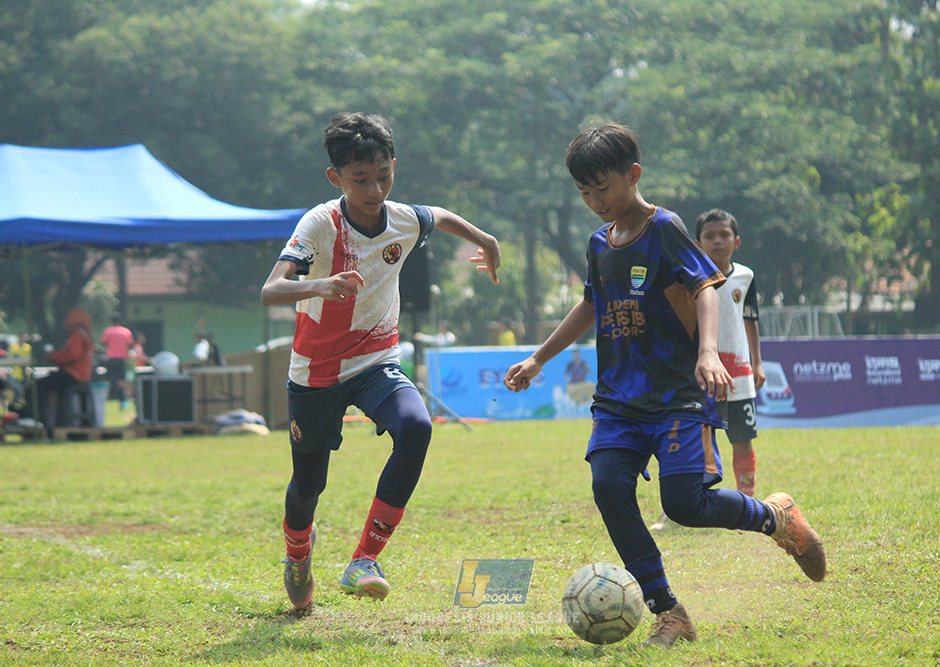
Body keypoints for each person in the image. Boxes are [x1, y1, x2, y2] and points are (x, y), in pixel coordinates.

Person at [502, 122, 825, 648]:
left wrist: (706, 354)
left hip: (677, 396)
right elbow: (590, 304)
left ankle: (776, 518)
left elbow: (704, 288)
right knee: (608, 486)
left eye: (601, 188)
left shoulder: (666, 227)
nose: (594, 201)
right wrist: (538, 358)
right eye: (584, 192)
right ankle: (668, 611)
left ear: (633, 175)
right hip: (617, 401)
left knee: (685, 505)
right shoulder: (598, 243)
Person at [260, 112, 501, 609]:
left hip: (376, 361)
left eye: (383, 177)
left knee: (416, 427)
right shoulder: (320, 224)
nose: (374, 190)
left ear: (394, 165)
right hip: (316, 373)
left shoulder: (403, 220)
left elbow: (440, 214)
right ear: (336, 179)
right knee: (309, 486)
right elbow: (272, 290)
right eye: (360, 180)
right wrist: (320, 284)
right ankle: (298, 554)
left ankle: (364, 560)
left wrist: (487, 240)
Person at [696, 209, 766, 496]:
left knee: (742, 439)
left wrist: (758, 364)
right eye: (709, 236)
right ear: (698, 243)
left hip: (739, 375)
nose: (717, 242)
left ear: (736, 242)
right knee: (698, 441)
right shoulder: (691, 277)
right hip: (703, 376)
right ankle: (689, 502)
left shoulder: (745, 277)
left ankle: (746, 499)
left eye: (724, 235)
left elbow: (750, 320)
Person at [38, 308, 95, 436]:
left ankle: (42, 420)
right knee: (59, 388)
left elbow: (72, 356)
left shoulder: (77, 334)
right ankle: (59, 421)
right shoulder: (85, 333)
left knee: (41, 384)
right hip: (82, 374)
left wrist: (53, 357)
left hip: (74, 373)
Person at [100, 314, 134, 407]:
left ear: (111, 322)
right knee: (121, 380)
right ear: (121, 321)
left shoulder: (107, 331)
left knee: (108, 378)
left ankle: (106, 397)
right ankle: (123, 399)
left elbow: (103, 343)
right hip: (122, 358)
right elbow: (130, 345)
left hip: (110, 358)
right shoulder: (126, 331)